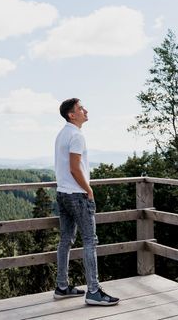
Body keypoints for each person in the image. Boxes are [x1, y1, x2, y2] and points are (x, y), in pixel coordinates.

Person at [53, 98, 120, 306]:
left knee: (66, 240)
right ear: (72, 115)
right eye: (81, 108)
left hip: (63, 193)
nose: (85, 110)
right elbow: (75, 168)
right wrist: (88, 190)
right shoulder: (76, 135)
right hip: (77, 195)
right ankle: (93, 291)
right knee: (90, 241)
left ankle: (62, 286)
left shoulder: (62, 133)